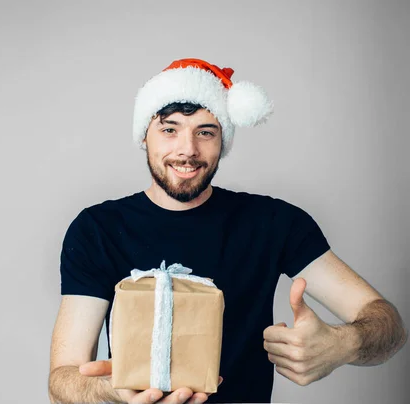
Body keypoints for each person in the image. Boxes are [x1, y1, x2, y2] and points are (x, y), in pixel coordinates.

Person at [47, 58, 408, 404]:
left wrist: (344, 343)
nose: (187, 150)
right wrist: (112, 390)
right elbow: (62, 381)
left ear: (224, 141)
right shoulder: (97, 229)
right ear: (145, 135)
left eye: (206, 132)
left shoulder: (273, 222)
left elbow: (388, 325)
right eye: (169, 129)